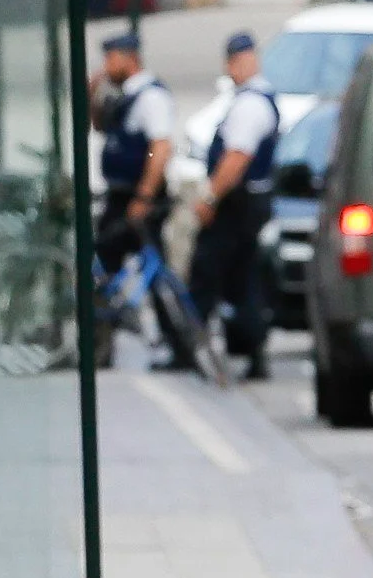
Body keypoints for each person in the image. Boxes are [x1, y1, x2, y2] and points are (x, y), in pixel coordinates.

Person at [189, 30, 279, 382]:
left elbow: (236, 158)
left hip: (238, 205)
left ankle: (192, 346)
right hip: (247, 204)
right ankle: (247, 349)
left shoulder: (251, 104)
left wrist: (210, 196)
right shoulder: (253, 98)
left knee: (209, 271)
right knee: (242, 279)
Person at [89, 30, 179, 357]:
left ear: (130, 58)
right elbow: (101, 127)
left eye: (111, 58)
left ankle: (174, 339)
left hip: (138, 197)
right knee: (104, 264)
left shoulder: (151, 97)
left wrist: (144, 194)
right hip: (119, 195)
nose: (107, 65)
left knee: (155, 270)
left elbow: (159, 148)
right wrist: (92, 93)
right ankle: (101, 339)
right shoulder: (124, 96)